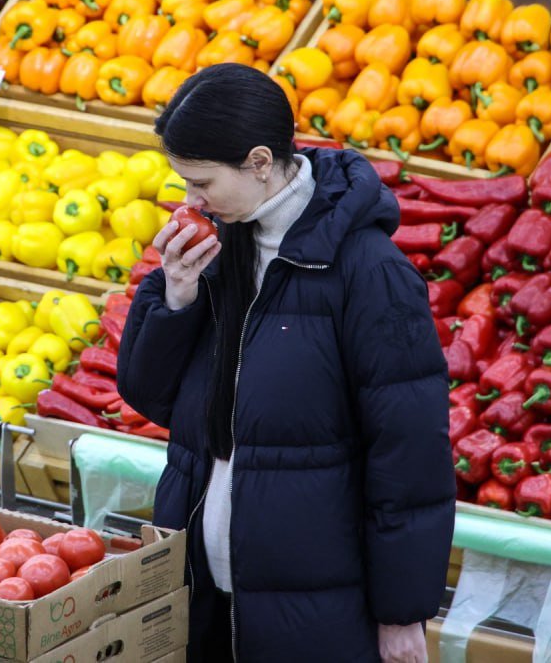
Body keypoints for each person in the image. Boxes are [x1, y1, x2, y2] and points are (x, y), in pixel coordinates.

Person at [116, 64, 455, 662]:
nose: (189, 202)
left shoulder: (369, 273)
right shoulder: (215, 246)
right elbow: (148, 396)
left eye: (201, 183)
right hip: (197, 583)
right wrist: (175, 297)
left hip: (313, 603)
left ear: (259, 162)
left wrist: (404, 613)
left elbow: (410, 457)